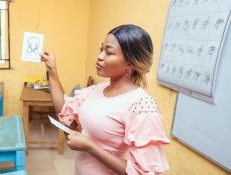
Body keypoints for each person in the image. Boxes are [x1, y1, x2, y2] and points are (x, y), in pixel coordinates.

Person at [41, 24, 170, 175]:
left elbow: (143, 172)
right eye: (101, 49)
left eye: (108, 52)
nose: (100, 56)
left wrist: (90, 146)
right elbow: (64, 110)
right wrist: (52, 70)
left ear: (131, 62)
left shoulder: (142, 106)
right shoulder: (97, 89)